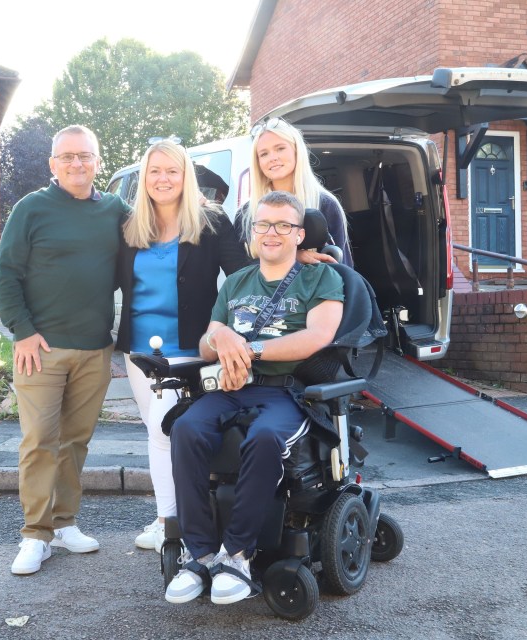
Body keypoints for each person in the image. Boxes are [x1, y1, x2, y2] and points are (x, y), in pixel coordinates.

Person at [165, 190, 344, 605]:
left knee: (265, 438)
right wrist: (222, 335)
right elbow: (207, 345)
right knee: (186, 429)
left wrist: (249, 350)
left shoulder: (322, 277)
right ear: (252, 234)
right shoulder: (237, 282)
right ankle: (201, 553)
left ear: (300, 234)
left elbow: (318, 336)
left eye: (283, 225)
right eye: (263, 224)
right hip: (230, 389)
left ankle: (238, 554)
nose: (271, 233)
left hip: (286, 391)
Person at [0, 125, 131, 576]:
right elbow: (6, 275)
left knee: (76, 442)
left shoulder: (115, 209)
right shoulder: (31, 209)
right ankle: (35, 534)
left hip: (94, 349)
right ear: (53, 164)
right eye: (67, 157)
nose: (77, 164)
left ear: (97, 161)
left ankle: (66, 523)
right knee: (39, 442)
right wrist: (23, 331)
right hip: (41, 348)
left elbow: (163, 232)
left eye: (85, 156)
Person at [115, 140, 250, 553]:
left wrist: (225, 328)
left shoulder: (211, 222)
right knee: (160, 434)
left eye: (172, 170)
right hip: (139, 352)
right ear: (144, 178)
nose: (163, 178)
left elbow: (243, 277)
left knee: (162, 431)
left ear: (185, 175)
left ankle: (168, 522)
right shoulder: (130, 225)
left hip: (190, 350)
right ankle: (189, 514)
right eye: (154, 171)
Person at [237, 117, 353, 267]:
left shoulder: (325, 203)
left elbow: (344, 269)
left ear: (297, 151)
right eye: (264, 154)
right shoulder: (246, 214)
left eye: (280, 148)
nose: (273, 158)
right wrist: (293, 257)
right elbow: (241, 273)